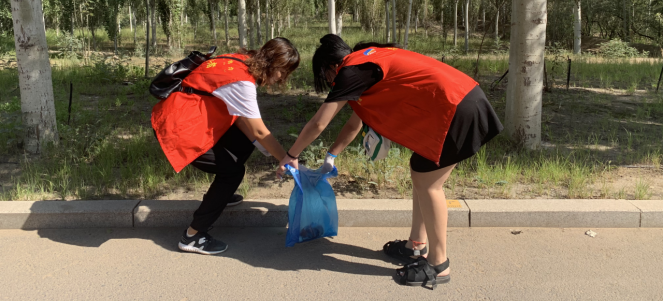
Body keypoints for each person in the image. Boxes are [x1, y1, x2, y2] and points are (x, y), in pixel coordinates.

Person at [277, 35, 503, 288]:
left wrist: (291, 155)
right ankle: (416, 245)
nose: (331, 83)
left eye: (327, 77)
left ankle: (439, 265)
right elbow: (354, 124)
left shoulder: (351, 71)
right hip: (460, 101)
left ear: (331, 66)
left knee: (429, 184)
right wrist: (331, 155)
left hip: (458, 107)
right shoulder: (366, 63)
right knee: (419, 170)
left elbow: (319, 122)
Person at [153, 38, 300, 255]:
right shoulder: (242, 82)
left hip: (184, 116)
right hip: (179, 129)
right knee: (232, 172)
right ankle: (193, 235)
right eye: (283, 72)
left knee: (243, 143)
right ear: (274, 64)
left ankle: (221, 195)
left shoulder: (239, 61)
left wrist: (270, 152)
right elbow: (260, 131)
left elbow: (242, 121)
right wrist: (285, 158)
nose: (282, 78)